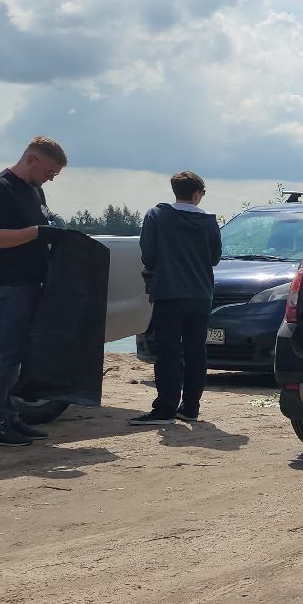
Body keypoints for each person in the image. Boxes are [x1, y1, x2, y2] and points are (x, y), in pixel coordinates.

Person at [0, 136, 66, 447]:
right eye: (49, 172)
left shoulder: (33, 190)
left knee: (17, 353)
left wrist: (50, 226)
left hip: (29, 281)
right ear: (32, 160)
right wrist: (36, 232)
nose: (49, 180)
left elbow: (39, 222)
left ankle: (9, 415)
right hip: (5, 283)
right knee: (3, 351)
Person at [132, 172, 221, 426]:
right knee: (196, 352)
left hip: (168, 293)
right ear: (196, 194)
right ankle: (191, 406)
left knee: (168, 351)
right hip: (201, 294)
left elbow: (148, 254)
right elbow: (214, 258)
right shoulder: (209, 222)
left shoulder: (157, 216)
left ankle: (165, 407)